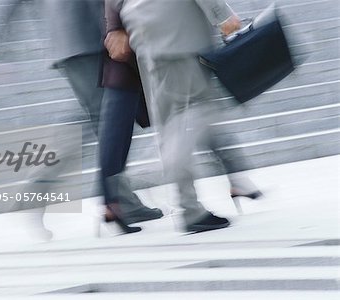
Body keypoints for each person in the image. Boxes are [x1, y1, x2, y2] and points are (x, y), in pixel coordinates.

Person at [0, 0, 163, 234]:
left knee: (99, 117)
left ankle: (121, 200)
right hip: (84, 37)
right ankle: (40, 193)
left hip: (85, 36)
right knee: (108, 118)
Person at [105, 0, 261, 232]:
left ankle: (189, 209)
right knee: (201, 109)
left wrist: (115, 27)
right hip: (177, 29)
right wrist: (223, 15)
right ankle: (148, 175)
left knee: (170, 123)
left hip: (142, 31)